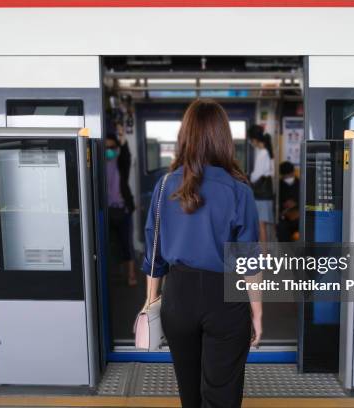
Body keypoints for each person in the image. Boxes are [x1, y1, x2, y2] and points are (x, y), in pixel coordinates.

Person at [141, 99, 263, 408]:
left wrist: (150, 302)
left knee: (189, 393)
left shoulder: (165, 185)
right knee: (222, 393)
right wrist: (257, 313)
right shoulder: (239, 190)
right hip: (225, 295)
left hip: (177, 297)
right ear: (224, 138)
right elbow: (249, 260)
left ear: (186, 135)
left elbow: (153, 254)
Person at [105, 130, 137, 286]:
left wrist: (122, 137)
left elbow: (127, 156)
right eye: (106, 148)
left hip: (123, 210)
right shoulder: (99, 164)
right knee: (111, 245)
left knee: (127, 244)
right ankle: (115, 273)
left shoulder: (120, 163)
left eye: (111, 147)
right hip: (107, 211)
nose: (109, 150)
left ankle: (131, 275)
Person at [247, 125, 275, 242]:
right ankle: (267, 253)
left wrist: (248, 178)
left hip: (261, 194)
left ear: (254, 139)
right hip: (266, 191)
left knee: (261, 225)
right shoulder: (268, 152)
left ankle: (263, 256)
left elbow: (256, 175)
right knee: (265, 225)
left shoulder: (262, 153)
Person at [277, 161, 300, 242]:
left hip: (299, 217)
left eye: (290, 175)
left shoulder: (301, 184)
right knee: (281, 229)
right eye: (285, 176)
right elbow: (276, 203)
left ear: (293, 173)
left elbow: (307, 201)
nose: (288, 178)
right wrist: (284, 207)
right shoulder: (279, 185)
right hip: (285, 218)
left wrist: (296, 203)